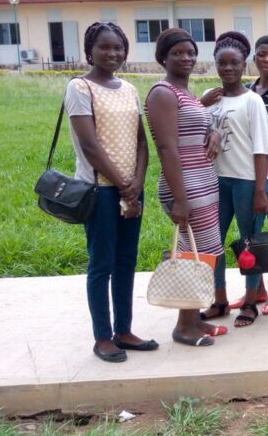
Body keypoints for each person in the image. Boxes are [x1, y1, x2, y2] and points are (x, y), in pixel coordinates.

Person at [67, 22, 157, 362]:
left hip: (131, 189)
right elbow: (90, 145)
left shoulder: (129, 89)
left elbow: (141, 142)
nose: (112, 53)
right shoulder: (79, 87)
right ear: (90, 51)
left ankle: (124, 330)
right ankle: (103, 337)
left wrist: (138, 181)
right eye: (104, 47)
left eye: (118, 47)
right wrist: (122, 184)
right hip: (100, 190)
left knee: (126, 261)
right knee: (101, 263)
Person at [144, 27, 226, 347]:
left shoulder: (186, 93)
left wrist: (214, 132)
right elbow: (167, 148)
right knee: (196, 255)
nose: (186, 58)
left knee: (202, 252)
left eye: (191, 52)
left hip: (202, 181)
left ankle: (194, 319)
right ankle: (183, 327)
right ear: (163, 57)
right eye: (177, 53)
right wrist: (180, 199)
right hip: (185, 185)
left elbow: (195, 128)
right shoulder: (162, 93)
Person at [217, 35, 268, 315]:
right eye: (261, 54)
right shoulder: (250, 89)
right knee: (253, 236)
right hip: (251, 174)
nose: (266, 60)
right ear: (253, 59)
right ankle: (257, 289)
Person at [200, 32, 268, 328]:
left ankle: (250, 301)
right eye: (222, 63)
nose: (228, 68)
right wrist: (200, 103)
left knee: (249, 243)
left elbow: (262, 147)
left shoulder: (252, 101)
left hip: (247, 180)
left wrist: (260, 190)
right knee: (213, 243)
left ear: (244, 65)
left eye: (234, 63)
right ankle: (219, 300)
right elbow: (189, 124)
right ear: (215, 64)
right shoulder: (211, 97)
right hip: (216, 180)